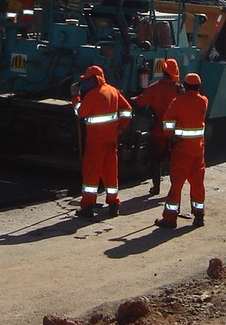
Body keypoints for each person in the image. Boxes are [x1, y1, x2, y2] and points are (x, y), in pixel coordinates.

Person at [73, 65, 132, 219]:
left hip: (95, 143)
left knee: (91, 175)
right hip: (111, 141)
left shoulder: (93, 95)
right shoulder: (113, 91)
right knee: (111, 174)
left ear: (94, 79)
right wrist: (120, 127)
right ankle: (113, 205)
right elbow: (127, 109)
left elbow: (80, 113)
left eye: (87, 80)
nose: (85, 83)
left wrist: (75, 97)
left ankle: (87, 207)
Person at [155, 72, 209, 229]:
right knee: (198, 184)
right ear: (199, 87)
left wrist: (170, 136)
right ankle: (199, 216)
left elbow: (167, 122)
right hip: (198, 152)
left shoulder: (178, 102)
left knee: (176, 185)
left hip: (182, 151)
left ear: (184, 86)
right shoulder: (203, 101)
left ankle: (170, 218)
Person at [133, 58, 183, 195]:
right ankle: (175, 190)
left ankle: (156, 188)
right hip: (175, 133)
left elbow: (139, 102)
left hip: (158, 131)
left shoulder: (154, 88)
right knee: (175, 162)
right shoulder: (179, 90)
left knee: (156, 160)